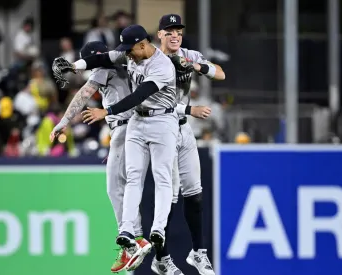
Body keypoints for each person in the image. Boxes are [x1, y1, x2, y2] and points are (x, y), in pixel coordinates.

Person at [52, 24, 204, 272]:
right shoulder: (127, 61)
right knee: (136, 184)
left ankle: (134, 240)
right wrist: (74, 66)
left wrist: (65, 121)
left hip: (130, 126)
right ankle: (142, 241)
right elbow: (102, 59)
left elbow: (84, 93)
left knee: (118, 188)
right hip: (135, 126)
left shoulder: (108, 71)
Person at [150, 14, 226, 275]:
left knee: (195, 193)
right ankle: (161, 257)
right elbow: (154, 101)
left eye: (178, 31)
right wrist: (191, 108)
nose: (174, 35)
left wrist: (196, 67)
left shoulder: (188, 54)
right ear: (159, 34)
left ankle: (198, 252)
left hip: (183, 131)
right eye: (169, 31)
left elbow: (220, 73)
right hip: (161, 131)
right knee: (168, 198)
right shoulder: (150, 60)